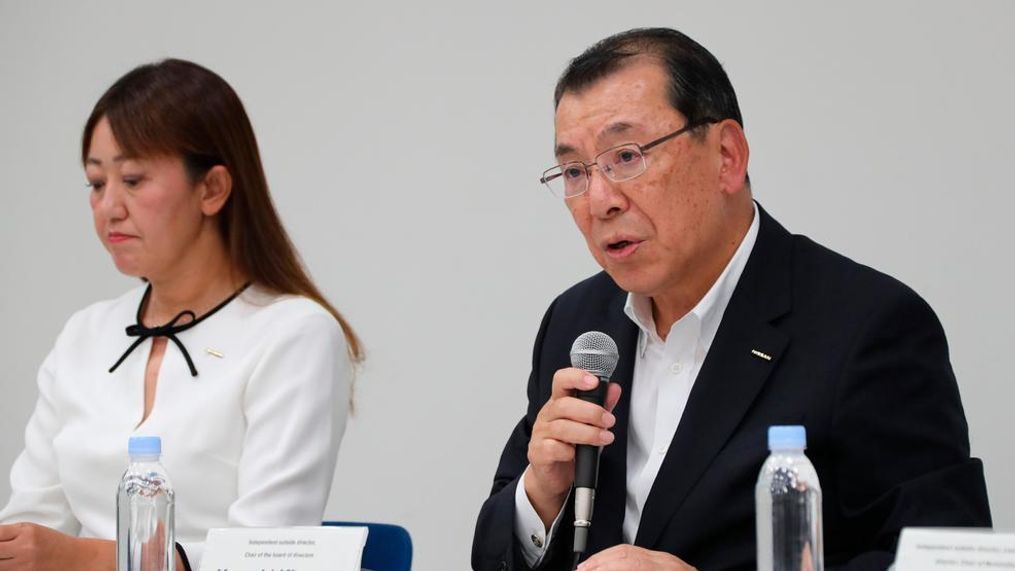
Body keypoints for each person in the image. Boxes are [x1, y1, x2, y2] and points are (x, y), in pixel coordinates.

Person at [472, 28, 991, 571]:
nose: (599, 200)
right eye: (576, 171)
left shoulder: (868, 326)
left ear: (726, 156)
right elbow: (493, 552)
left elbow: (946, 561)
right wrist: (540, 495)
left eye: (626, 156)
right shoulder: (578, 323)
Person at [0, 59, 363, 570]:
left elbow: (267, 556)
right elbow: (28, 527)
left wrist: (85, 559)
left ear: (212, 188)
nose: (109, 207)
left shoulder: (293, 333)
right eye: (95, 184)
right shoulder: (84, 334)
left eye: (132, 179)